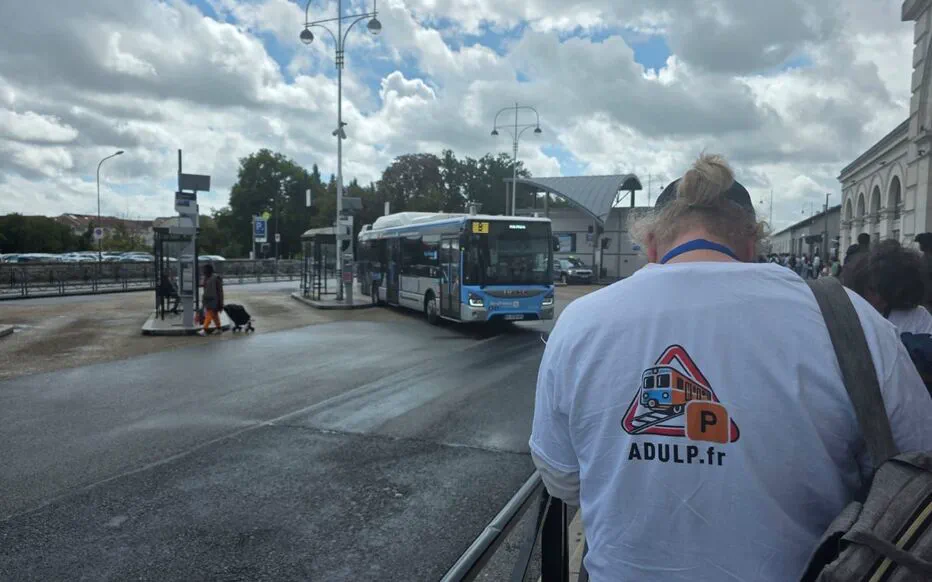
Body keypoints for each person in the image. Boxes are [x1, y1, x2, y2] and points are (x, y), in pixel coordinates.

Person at [529, 153, 932, 581]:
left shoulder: (581, 322)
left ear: (649, 244)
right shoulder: (849, 319)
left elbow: (563, 480)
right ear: (752, 244)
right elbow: (916, 465)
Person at [843, 239, 932, 334]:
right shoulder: (847, 314)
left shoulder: (918, 317)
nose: (879, 298)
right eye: (872, 290)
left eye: (889, 292)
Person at [201, 263, 224, 335]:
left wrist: (221, 302)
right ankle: (219, 328)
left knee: (209, 313)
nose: (204, 271)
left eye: (205, 270)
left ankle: (205, 329)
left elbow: (220, 291)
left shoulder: (216, 278)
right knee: (214, 315)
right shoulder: (205, 278)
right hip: (207, 299)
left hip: (214, 300)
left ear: (209, 270)